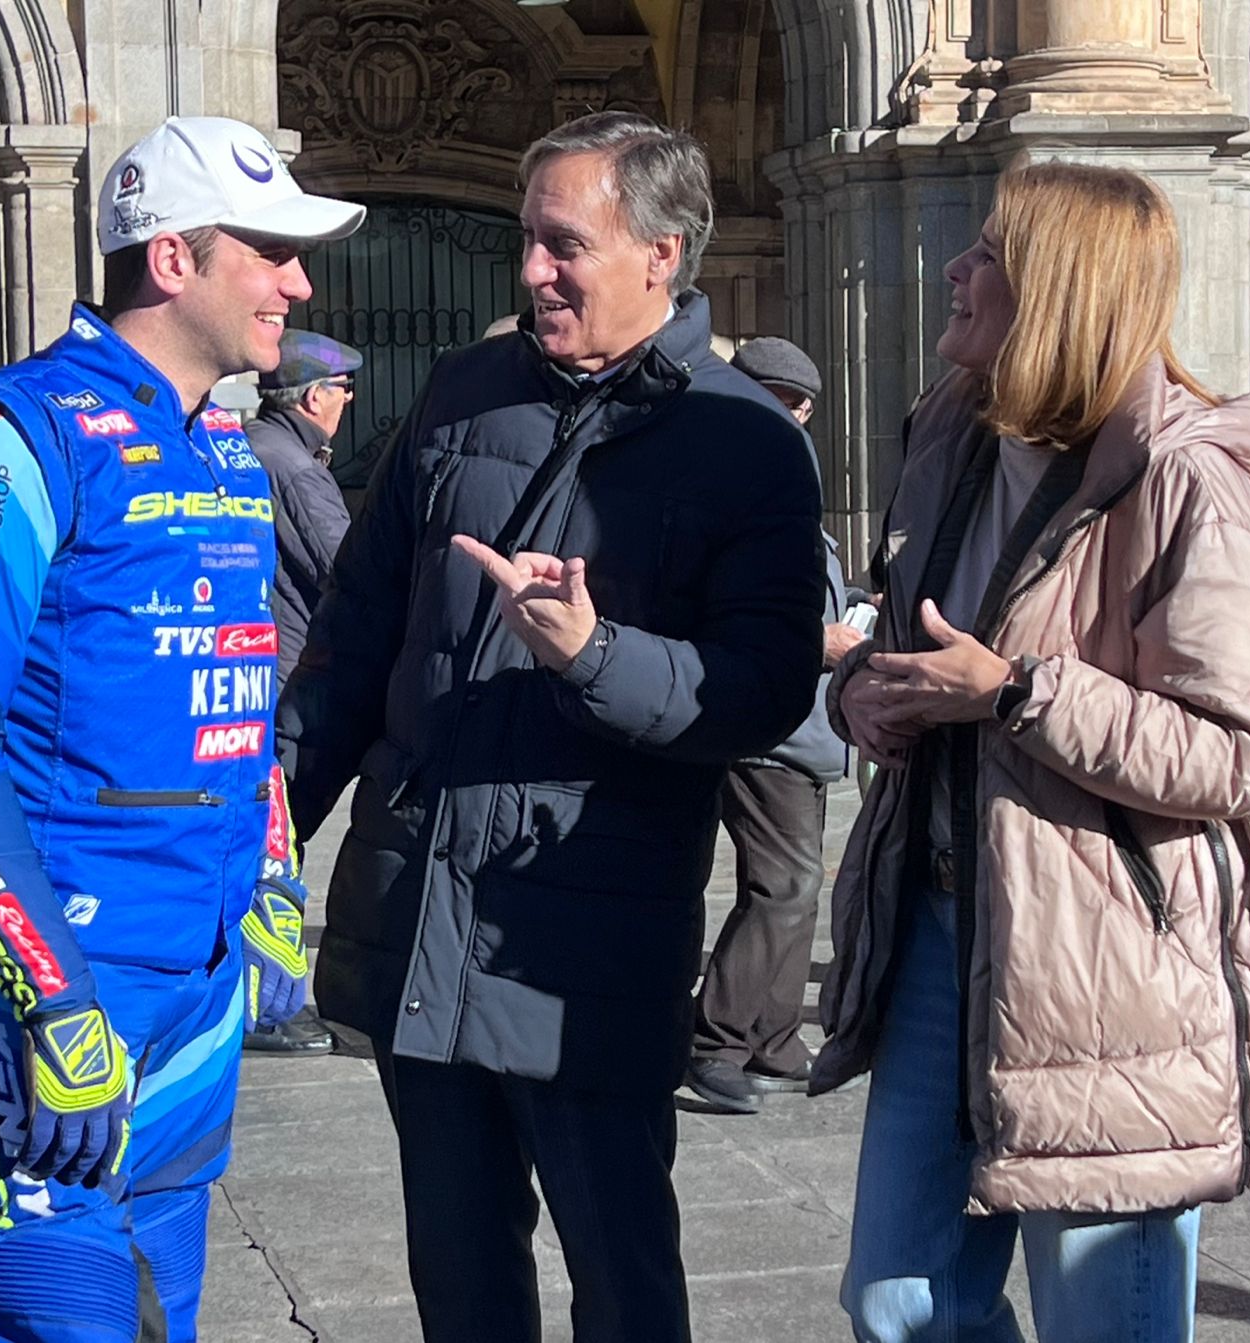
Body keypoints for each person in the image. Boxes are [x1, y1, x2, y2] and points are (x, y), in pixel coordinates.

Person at [278, 111, 824, 1342]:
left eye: (561, 244)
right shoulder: (465, 390)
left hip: (581, 935)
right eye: (526, 240)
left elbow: (763, 685)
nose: (530, 271)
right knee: (459, 1275)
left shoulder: (741, 439)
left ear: (661, 253)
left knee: (621, 1272)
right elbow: (362, 623)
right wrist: (277, 805)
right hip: (416, 909)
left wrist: (596, 655)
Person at [818, 164, 1250, 1343]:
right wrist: (864, 689)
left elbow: (1234, 756)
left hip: (1111, 958)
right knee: (899, 1303)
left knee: (1105, 1320)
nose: (953, 269)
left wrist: (1013, 693)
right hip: (939, 927)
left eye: (989, 253)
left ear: (1062, 289)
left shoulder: (1183, 478)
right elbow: (912, 643)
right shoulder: (946, 434)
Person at [0, 115, 361, 1342]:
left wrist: (269, 878)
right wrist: (46, 990)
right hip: (62, 981)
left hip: (196, 982)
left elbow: (239, 693)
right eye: (270, 249)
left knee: (163, 1317)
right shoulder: (4, 438)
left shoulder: (227, 451)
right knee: (59, 1315)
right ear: (173, 259)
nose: (298, 283)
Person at [683, 336, 863, 1115]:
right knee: (784, 884)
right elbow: (728, 601)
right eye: (785, 402)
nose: (797, 418)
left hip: (800, 722)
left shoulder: (770, 467)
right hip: (765, 726)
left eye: (803, 408)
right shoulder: (726, 469)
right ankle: (716, 1038)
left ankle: (776, 1034)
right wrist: (819, 639)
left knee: (796, 887)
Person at [242, 329, 361, 1056]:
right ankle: (271, 1002)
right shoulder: (296, 467)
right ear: (316, 397)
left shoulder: (244, 445)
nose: (347, 405)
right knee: (273, 846)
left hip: (244, 677)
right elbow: (345, 570)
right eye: (344, 392)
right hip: (283, 679)